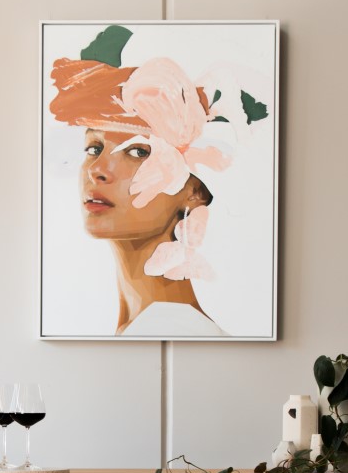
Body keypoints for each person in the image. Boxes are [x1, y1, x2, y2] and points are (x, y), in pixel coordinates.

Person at [49, 30, 264, 337]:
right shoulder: (141, 330)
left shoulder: (174, 331)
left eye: (138, 152)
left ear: (194, 192)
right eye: (94, 148)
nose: (97, 169)